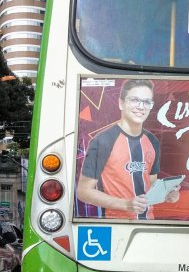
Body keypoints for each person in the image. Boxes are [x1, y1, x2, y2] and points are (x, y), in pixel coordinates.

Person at [77, 79, 180, 219]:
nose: (141, 107)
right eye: (134, 100)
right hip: (115, 226)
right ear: (121, 103)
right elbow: (84, 191)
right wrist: (126, 204)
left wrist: (167, 193)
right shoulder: (103, 141)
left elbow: (151, 182)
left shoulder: (152, 141)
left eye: (146, 102)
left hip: (149, 223)